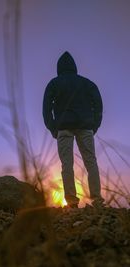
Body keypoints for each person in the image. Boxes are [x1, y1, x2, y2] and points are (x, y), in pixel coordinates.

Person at [42, 51, 104, 208]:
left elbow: (46, 109)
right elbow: (98, 105)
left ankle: (71, 202)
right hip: (85, 127)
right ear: (74, 67)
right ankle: (97, 200)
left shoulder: (54, 83)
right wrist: (94, 125)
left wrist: (53, 128)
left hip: (63, 128)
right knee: (91, 162)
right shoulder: (87, 83)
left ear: (59, 68)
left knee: (66, 165)